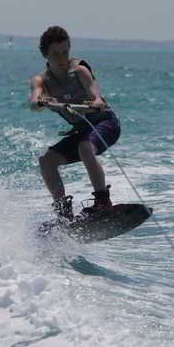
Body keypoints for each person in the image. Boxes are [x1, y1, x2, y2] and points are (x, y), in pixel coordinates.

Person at [28, 26, 121, 222]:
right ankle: (64, 213)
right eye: (55, 54)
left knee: (85, 147)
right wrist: (40, 102)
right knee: (46, 161)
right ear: (45, 54)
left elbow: (97, 97)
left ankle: (103, 202)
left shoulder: (80, 70)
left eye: (65, 52)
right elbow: (34, 102)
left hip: (106, 124)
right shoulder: (40, 80)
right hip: (82, 130)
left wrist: (94, 104)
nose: (62, 59)